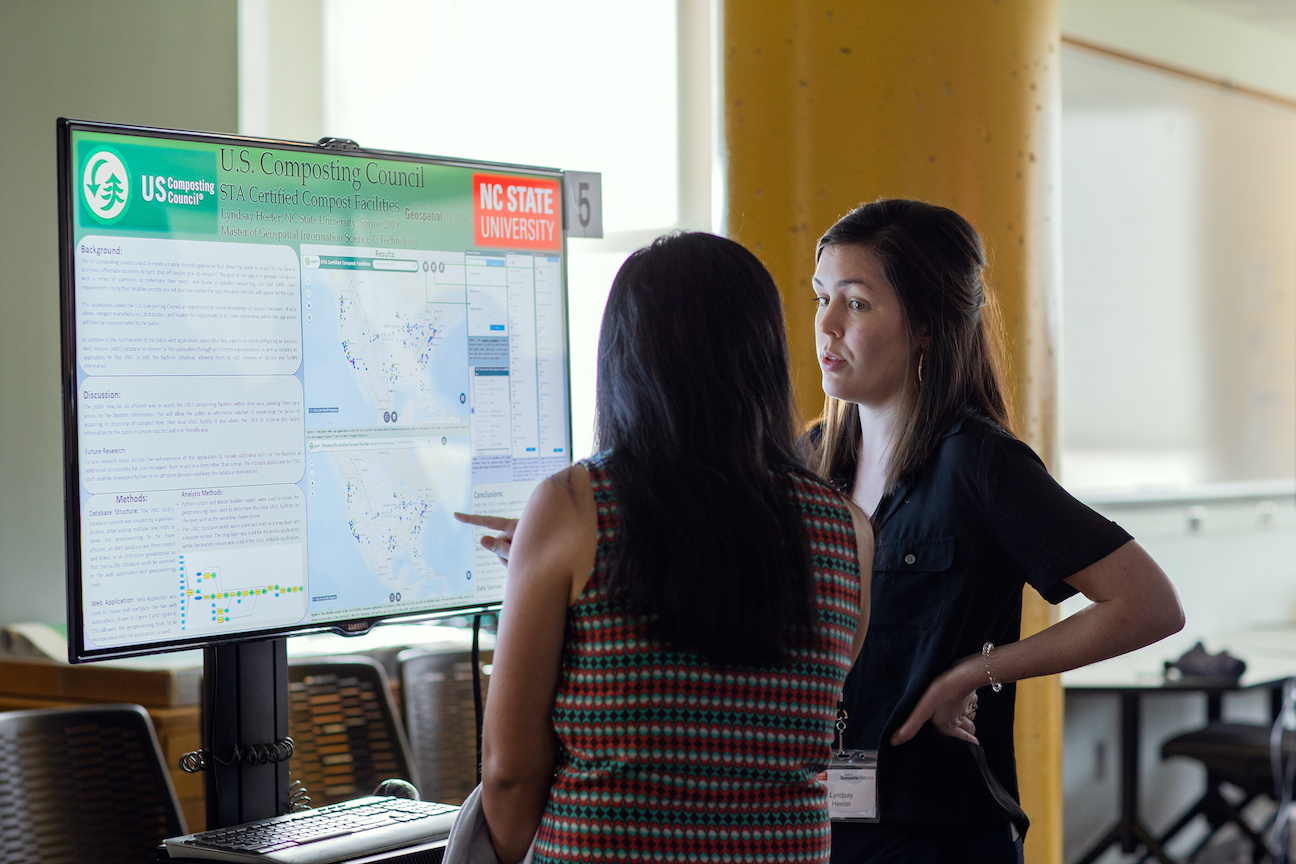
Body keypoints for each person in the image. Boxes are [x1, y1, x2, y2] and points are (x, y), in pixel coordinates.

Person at [460, 232, 873, 864]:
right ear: (764, 356)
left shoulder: (574, 506)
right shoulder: (847, 529)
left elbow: (511, 770)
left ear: (625, 356)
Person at [809, 199, 1185, 864]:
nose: (827, 325)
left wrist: (975, 673)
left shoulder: (977, 460)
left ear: (925, 326)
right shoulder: (807, 460)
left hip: (936, 836)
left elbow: (1147, 603)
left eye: (857, 304)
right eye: (821, 298)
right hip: (815, 825)